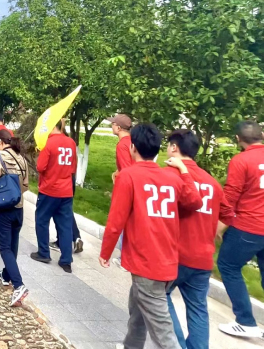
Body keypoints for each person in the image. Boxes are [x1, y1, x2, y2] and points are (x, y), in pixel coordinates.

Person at [99, 124, 201, 349]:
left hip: (147, 262)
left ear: (132, 147)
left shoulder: (129, 176)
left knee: (163, 334)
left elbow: (116, 221)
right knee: (137, 309)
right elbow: (195, 201)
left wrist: (105, 252)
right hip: (167, 259)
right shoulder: (170, 177)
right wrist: (184, 171)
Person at [165, 129, 232, 349]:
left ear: (174, 147)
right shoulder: (211, 182)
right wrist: (212, 232)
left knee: (158, 298)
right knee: (198, 309)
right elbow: (228, 215)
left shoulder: (169, 176)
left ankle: (177, 345)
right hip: (203, 257)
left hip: (175, 254)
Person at [217, 120, 264, 338]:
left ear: (238, 139)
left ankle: (245, 321)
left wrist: (220, 225)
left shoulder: (241, 160)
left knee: (228, 265)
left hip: (248, 226)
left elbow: (230, 197)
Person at [0, 129, 30, 307]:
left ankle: (19, 285)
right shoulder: (21, 158)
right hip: (18, 207)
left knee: (4, 246)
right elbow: (25, 185)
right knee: (13, 244)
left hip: (3, 209)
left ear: (0, 142)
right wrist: (14, 195)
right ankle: (7, 275)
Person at [32, 120, 77, 272]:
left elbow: (40, 167)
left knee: (42, 220)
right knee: (65, 225)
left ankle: (43, 252)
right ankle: (66, 259)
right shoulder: (71, 142)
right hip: (66, 191)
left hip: (49, 190)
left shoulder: (48, 143)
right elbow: (73, 167)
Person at [107, 113, 134, 269]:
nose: (111, 126)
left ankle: (125, 258)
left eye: (113, 124)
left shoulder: (122, 145)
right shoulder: (132, 142)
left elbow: (126, 171)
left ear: (118, 127)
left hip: (128, 189)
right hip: (137, 185)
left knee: (124, 221)